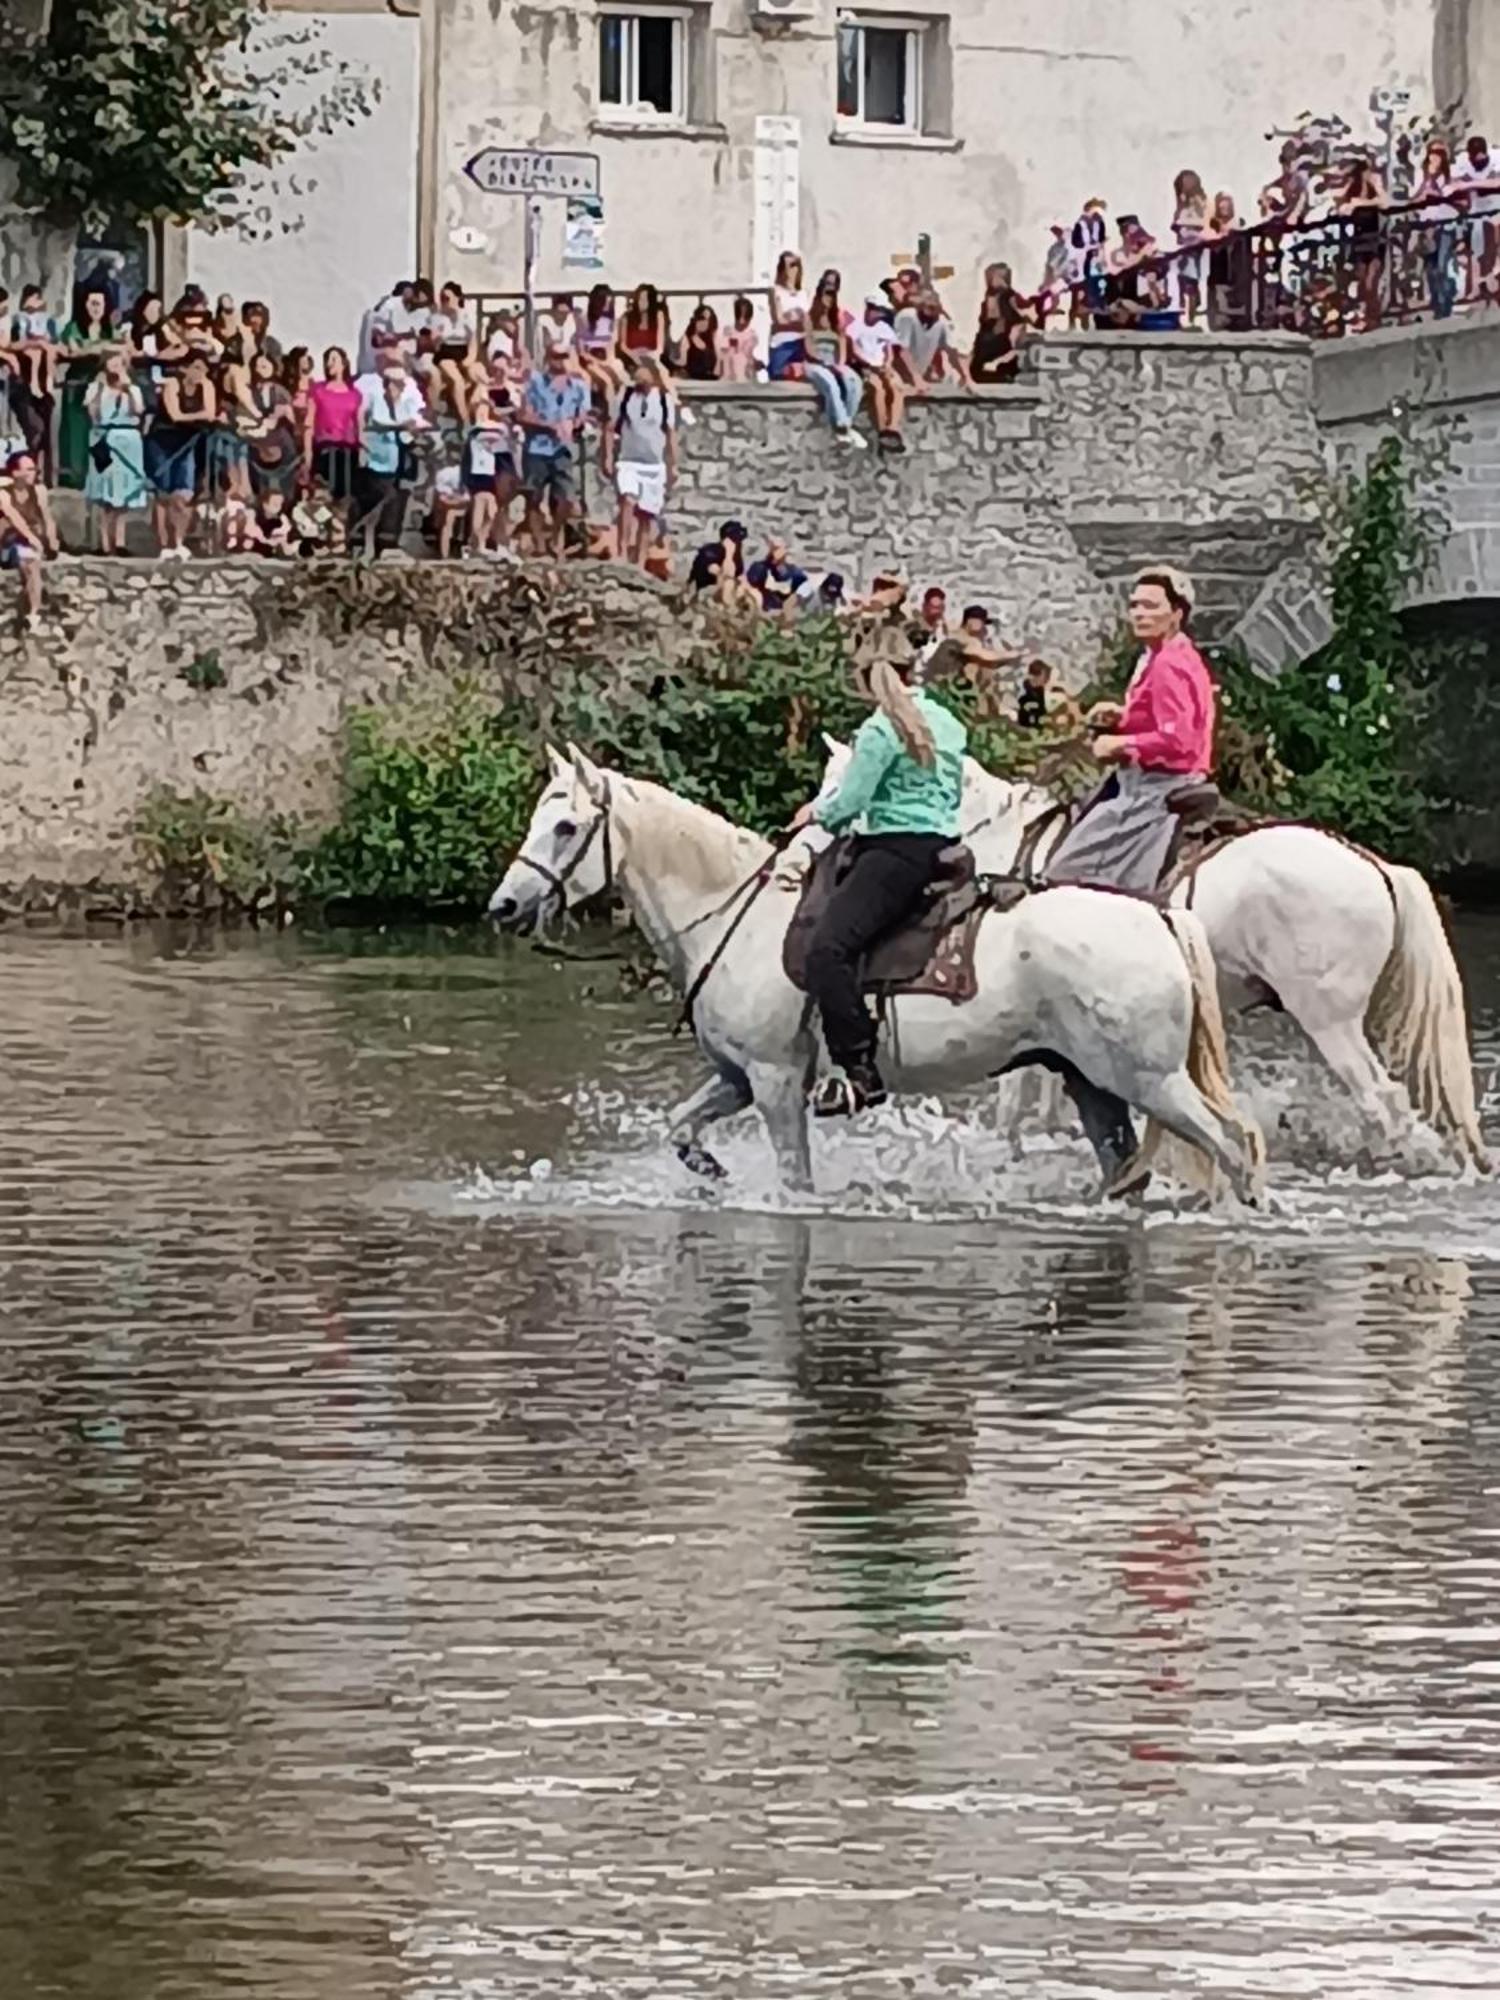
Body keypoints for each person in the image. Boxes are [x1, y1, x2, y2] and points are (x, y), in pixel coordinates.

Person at [786, 638, 968, 1115]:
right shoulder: (947, 721)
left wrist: (815, 814)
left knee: (827, 949)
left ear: (866, 680)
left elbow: (851, 802)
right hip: (942, 846)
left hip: (893, 850)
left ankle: (858, 1070)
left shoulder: (878, 729)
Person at [1046, 568, 1215, 893]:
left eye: (1151, 606)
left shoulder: (1168, 664)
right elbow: (1174, 719)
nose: (1139, 613)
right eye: (1135, 605)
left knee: (1066, 869)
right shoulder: (1171, 655)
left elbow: (1179, 738)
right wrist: (1123, 716)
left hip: (1157, 787)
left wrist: (1120, 744)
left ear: (1176, 614)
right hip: (1170, 777)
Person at [602, 357, 678, 567]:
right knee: (627, 502)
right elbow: (610, 427)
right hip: (629, 461)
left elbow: (670, 433)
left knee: (647, 513)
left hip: (654, 464)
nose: (636, 374)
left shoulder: (663, 400)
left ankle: (641, 559)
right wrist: (607, 456)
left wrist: (673, 464)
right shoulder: (625, 396)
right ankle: (623, 551)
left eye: (640, 369)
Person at [519, 340, 590, 555]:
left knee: (566, 498)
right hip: (537, 448)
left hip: (562, 449)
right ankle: (539, 544)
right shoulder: (535, 383)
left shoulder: (578, 386)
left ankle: (555, 534)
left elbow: (583, 415)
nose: (560, 361)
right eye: (556, 356)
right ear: (548, 358)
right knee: (533, 497)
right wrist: (549, 426)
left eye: (564, 356)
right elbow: (523, 414)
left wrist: (573, 424)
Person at [148, 352, 217, 558]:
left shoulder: (206, 386)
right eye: (195, 368)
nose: (199, 373)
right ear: (185, 368)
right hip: (163, 440)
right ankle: (162, 544)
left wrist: (193, 417)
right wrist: (198, 415)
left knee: (184, 493)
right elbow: (175, 415)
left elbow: (210, 413)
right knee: (163, 494)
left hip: (188, 441)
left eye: (203, 369)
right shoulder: (172, 385)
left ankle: (178, 542)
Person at [357, 361, 427, 555]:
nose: (396, 388)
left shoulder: (403, 405)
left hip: (395, 460)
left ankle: (386, 542)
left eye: (400, 384)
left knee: (395, 500)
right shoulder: (375, 400)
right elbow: (379, 423)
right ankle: (370, 540)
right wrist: (401, 426)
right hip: (376, 459)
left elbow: (411, 428)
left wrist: (413, 430)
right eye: (393, 383)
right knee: (384, 497)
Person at [83, 350, 148, 553]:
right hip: (103, 437)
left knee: (125, 489)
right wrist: (101, 390)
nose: (116, 368)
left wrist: (127, 388)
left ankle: (120, 541)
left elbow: (138, 410)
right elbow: (93, 414)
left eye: (120, 364)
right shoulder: (95, 388)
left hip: (128, 439)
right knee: (105, 490)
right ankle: (103, 542)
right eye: (112, 364)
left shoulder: (133, 390)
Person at [57, 283, 119, 487]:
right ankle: (75, 477)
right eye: (92, 303)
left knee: (101, 431)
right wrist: (100, 348)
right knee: (76, 432)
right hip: (77, 384)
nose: (96, 308)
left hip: (103, 387)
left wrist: (95, 348)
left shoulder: (111, 329)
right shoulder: (74, 327)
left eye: (99, 304)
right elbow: (74, 351)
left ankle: (101, 477)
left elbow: (120, 347)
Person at [804, 270, 864, 446]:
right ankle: (842, 426)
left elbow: (842, 346)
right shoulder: (809, 318)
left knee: (853, 380)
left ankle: (846, 423)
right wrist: (824, 363)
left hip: (833, 360)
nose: (828, 299)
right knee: (829, 382)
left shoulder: (836, 319)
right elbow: (808, 348)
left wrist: (839, 364)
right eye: (825, 294)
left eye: (832, 295)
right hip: (815, 362)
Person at [0, 449, 59, 628]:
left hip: (29, 542)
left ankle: (33, 614)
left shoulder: (39, 491)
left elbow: (47, 517)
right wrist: (33, 539)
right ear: (16, 473)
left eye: (34, 470)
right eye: (29, 469)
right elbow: (14, 518)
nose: (34, 473)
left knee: (31, 565)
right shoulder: (3, 493)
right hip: (9, 541)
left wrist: (52, 540)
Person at [848, 293, 906, 450]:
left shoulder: (884, 328)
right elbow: (853, 350)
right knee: (877, 388)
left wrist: (887, 365)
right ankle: (882, 429)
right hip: (864, 366)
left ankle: (893, 427)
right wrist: (869, 365)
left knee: (897, 386)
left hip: (882, 365)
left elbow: (889, 351)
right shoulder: (855, 326)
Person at [1338, 155, 1389, 331]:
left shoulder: (1374, 183)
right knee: (1361, 281)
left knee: (1370, 281)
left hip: (1374, 237)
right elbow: (1342, 207)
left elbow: (1385, 203)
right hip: (1359, 239)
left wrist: (1363, 202)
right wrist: (1350, 205)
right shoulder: (1353, 187)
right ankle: (1365, 316)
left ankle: (1374, 319)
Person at [309, 346, 362, 509]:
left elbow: (359, 423)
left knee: (345, 493)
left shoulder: (354, 393)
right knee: (324, 491)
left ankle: (342, 527)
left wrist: (362, 450)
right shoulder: (318, 390)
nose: (329, 364)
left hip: (347, 450)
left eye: (334, 359)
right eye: (327, 360)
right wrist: (307, 454)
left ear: (343, 364)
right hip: (324, 448)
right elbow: (309, 423)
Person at [1417, 141, 1460, 319]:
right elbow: (1414, 200)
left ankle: (1445, 305)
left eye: (1440, 152)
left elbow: (1462, 202)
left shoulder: (1451, 177)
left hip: (1445, 225)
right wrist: (1427, 184)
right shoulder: (1421, 177)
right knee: (1431, 269)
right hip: (1427, 227)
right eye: (1433, 152)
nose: (1436, 156)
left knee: (1442, 266)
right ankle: (1438, 303)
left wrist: (1443, 197)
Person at [893, 291, 967, 385]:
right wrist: (916, 377)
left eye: (934, 307)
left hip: (918, 375)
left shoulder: (942, 323)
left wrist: (964, 375)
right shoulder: (907, 317)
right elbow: (902, 350)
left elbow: (951, 351)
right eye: (928, 306)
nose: (931, 311)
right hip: (895, 374)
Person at [970, 264, 1027, 384]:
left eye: (993, 277)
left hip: (1002, 336)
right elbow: (985, 318)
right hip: (989, 334)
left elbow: (1020, 314)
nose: (989, 280)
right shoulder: (989, 296)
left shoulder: (1009, 296)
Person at [1171, 168, 1210, 323]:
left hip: (1199, 250)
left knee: (1193, 281)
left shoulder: (1202, 203)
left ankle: (1192, 317)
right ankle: (1187, 316)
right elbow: (1177, 226)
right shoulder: (1181, 206)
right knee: (1185, 281)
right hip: (1185, 250)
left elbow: (1205, 224)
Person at [768, 250, 808, 380]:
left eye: (792, 265)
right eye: (783, 266)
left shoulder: (803, 293)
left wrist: (791, 318)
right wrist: (799, 320)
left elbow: (809, 321)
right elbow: (779, 320)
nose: (788, 270)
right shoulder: (776, 291)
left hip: (802, 343)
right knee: (779, 375)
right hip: (783, 343)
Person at [688, 518, 748, 600]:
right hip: (705, 593)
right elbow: (725, 578)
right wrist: (728, 555)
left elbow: (739, 575)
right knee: (728, 583)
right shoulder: (711, 554)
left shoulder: (736, 557)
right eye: (738, 541)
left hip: (722, 593)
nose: (740, 544)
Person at [745, 535, 806, 614]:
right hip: (763, 607)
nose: (775, 551)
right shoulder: (759, 568)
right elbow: (751, 584)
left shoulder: (793, 571)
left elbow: (802, 590)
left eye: (778, 548)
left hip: (785, 609)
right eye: (773, 548)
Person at [617, 285, 669, 368]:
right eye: (641, 298)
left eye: (646, 299)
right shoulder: (627, 317)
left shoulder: (658, 315)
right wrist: (635, 358)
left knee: (655, 371)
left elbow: (660, 346)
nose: (643, 302)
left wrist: (651, 357)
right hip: (631, 356)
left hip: (652, 356)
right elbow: (623, 346)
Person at [721, 296, 760, 381]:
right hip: (729, 374)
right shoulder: (728, 330)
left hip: (745, 374)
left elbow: (748, 354)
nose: (742, 321)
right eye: (739, 315)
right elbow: (725, 350)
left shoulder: (752, 335)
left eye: (746, 316)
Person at [682, 303, 720, 382]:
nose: (705, 322)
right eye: (702, 318)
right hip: (692, 382)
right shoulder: (687, 338)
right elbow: (682, 363)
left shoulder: (711, 340)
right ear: (695, 319)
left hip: (711, 382)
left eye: (709, 320)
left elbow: (717, 365)